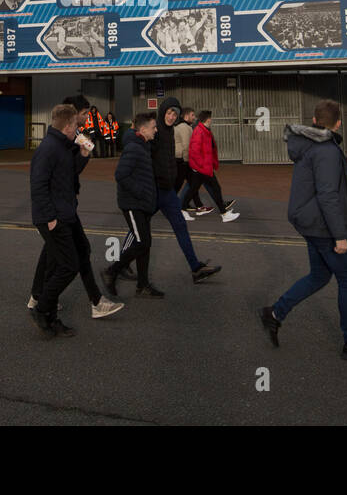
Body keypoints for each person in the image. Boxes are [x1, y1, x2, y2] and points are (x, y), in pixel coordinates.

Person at [259, 99, 347, 363]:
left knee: (319, 275)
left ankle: (275, 313)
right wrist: (340, 235)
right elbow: (328, 195)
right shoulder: (326, 150)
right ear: (338, 123)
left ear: (315, 121)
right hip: (322, 225)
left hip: (309, 221)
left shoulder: (308, 144)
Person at [29, 103, 124, 337]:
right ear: (68, 125)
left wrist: (82, 155)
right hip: (55, 217)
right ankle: (42, 309)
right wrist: (50, 218)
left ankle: (49, 310)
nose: (78, 129)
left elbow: (70, 174)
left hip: (67, 212)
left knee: (81, 251)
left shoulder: (62, 145)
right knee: (68, 266)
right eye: (76, 125)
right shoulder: (48, 148)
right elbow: (38, 185)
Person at [144, 96, 221, 284]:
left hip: (167, 190)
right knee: (139, 228)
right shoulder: (157, 131)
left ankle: (196, 268)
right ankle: (116, 267)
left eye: (175, 114)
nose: (171, 116)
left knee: (180, 227)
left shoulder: (170, 131)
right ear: (163, 111)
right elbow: (138, 143)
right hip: (154, 190)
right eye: (169, 112)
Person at [103, 113, 164, 298]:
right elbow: (121, 175)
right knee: (142, 241)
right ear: (143, 129)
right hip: (132, 203)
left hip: (142, 203)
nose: (156, 130)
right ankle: (112, 271)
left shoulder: (143, 146)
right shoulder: (134, 148)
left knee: (145, 243)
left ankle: (143, 284)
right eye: (153, 127)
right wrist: (140, 192)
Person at [186, 111, 239, 222]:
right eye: (211, 118)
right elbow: (195, 151)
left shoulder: (204, 131)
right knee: (215, 188)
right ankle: (224, 213)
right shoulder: (200, 131)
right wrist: (202, 165)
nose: (211, 120)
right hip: (203, 167)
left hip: (203, 167)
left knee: (193, 189)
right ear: (208, 119)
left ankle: (181, 209)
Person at [174, 107, 202, 216]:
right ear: (186, 116)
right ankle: (169, 203)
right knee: (178, 185)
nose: (194, 118)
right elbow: (186, 146)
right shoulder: (184, 127)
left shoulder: (185, 126)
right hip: (182, 160)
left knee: (192, 183)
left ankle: (197, 204)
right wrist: (188, 161)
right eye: (192, 115)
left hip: (183, 160)